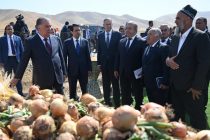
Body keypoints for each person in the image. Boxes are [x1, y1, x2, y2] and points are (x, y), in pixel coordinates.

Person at [166, 5, 210, 130]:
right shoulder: (175, 37)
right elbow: (169, 57)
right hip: (175, 87)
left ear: (187, 19)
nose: (175, 21)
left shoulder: (200, 36)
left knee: (197, 120)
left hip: (191, 90)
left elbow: (204, 63)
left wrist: (197, 86)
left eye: (177, 18)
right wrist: (168, 61)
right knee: (178, 121)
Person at [10, 17, 67, 94]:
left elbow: (61, 57)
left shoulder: (56, 39)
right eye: (47, 26)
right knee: (43, 104)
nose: (49, 28)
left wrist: (64, 72)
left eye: (50, 26)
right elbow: (24, 61)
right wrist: (17, 77)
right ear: (38, 28)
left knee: (60, 104)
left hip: (58, 79)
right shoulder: (31, 42)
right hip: (42, 81)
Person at [114, 21, 146, 109]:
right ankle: (125, 108)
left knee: (137, 92)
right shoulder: (121, 41)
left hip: (136, 73)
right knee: (124, 92)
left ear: (135, 30)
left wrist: (142, 72)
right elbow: (118, 56)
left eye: (130, 28)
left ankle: (138, 109)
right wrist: (116, 69)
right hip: (123, 72)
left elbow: (144, 59)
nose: (127, 30)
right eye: (126, 28)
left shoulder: (142, 42)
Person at [63, 24, 92, 100]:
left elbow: (88, 56)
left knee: (85, 90)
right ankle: (73, 106)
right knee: (72, 91)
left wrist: (89, 69)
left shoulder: (85, 41)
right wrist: (65, 71)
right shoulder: (67, 43)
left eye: (79, 30)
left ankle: (85, 105)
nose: (78, 32)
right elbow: (64, 58)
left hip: (83, 70)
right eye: (76, 30)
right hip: (72, 70)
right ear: (72, 32)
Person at [97, 18, 121, 107]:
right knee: (106, 86)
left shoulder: (117, 35)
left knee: (115, 87)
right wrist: (99, 63)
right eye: (106, 24)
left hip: (114, 66)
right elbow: (99, 50)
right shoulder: (100, 36)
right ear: (103, 25)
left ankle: (117, 104)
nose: (108, 26)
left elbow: (119, 52)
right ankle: (107, 103)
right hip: (104, 66)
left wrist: (117, 66)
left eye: (110, 24)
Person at [142, 28, 169, 105]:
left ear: (157, 36)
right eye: (147, 34)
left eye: (150, 34)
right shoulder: (147, 47)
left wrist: (165, 82)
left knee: (159, 105)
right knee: (152, 104)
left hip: (159, 84)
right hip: (148, 83)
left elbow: (166, 67)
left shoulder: (163, 47)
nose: (147, 36)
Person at [0, 24, 24, 96]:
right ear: (6, 31)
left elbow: (21, 50)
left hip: (16, 60)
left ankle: (20, 93)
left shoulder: (18, 38)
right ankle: (8, 93)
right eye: (8, 29)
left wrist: (22, 61)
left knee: (18, 77)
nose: (10, 30)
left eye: (11, 29)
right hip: (7, 60)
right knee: (8, 78)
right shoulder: (2, 39)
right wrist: (1, 61)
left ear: (13, 30)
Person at [195, 17, 210, 111]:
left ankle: (202, 106)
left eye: (199, 23)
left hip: (206, 68)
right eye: (196, 23)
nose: (197, 25)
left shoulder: (208, 35)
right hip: (195, 67)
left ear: (205, 23)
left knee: (203, 87)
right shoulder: (194, 35)